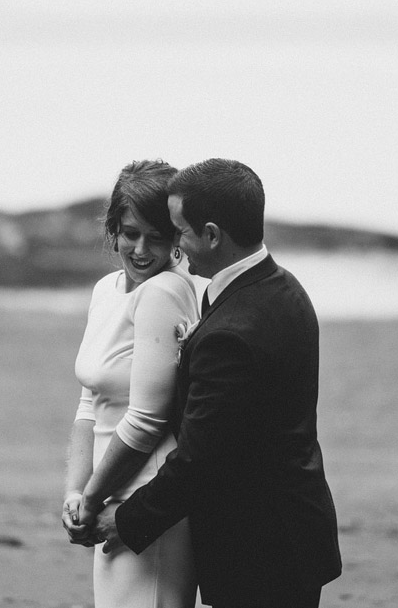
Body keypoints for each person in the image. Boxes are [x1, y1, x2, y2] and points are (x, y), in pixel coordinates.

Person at [92, 158, 342, 608]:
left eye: (179, 231)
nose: (178, 248)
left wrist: (127, 519)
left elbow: (202, 458)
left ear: (211, 234)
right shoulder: (284, 289)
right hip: (295, 529)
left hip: (257, 546)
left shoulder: (231, 330)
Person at [62, 159, 200, 608]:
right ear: (113, 229)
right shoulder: (106, 289)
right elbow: (90, 402)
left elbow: (146, 420)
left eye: (157, 237)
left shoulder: (163, 293)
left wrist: (93, 498)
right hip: (105, 488)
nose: (141, 250)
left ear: (178, 237)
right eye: (130, 233)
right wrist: (75, 493)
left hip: (144, 495)